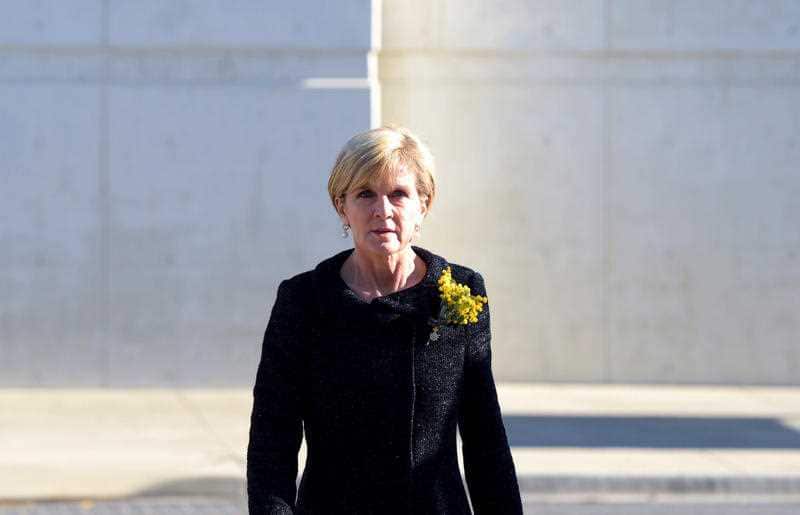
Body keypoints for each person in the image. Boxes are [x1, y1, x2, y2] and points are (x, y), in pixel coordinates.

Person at [247, 124, 523, 514]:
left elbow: (484, 436)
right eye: (365, 194)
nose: (383, 210)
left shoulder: (459, 291)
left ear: (423, 204)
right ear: (341, 206)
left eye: (398, 194)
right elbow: (272, 437)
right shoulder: (304, 301)